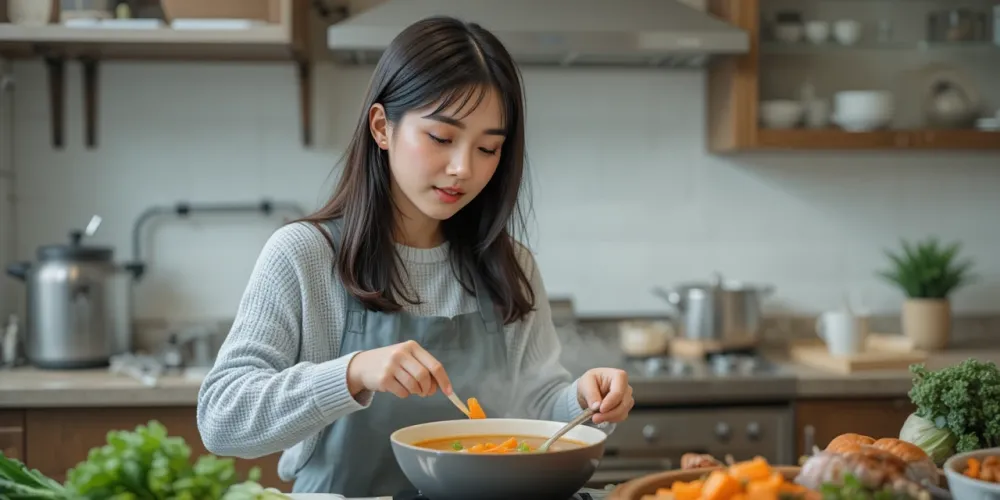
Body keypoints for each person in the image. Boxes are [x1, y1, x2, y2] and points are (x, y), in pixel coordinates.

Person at [196, 15, 634, 497]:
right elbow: (222, 419)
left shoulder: (510, 266)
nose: (462, 168)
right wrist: (353, 372)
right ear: (382, 127)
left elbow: (535, 414)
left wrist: (583, 402)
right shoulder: (306, 254)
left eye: (488, 148)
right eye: (442, 139)